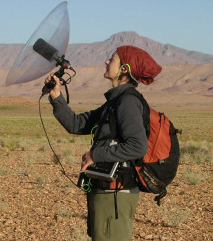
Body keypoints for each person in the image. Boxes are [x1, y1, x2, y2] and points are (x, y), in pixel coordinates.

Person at [45, 45, 162, 240]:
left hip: (116, 193)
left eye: (112, 59)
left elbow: (137, 145)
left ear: (125, 69)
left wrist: (95, 155)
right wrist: (57, 97)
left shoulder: (127, 102)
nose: (106, 62)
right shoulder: (114, 102)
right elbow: (77, 124)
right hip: (105, 191)